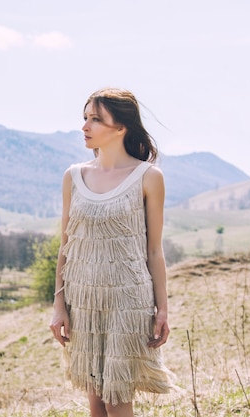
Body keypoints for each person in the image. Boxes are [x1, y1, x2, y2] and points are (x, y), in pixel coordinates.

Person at [49, 87, 175, 417]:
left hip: (128, 299)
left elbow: (153, 250)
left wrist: (162, 308)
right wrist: (58, 305)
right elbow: (67, 245)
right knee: (95, 401)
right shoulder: (73, 176)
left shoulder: (148, 177)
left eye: (95, 119)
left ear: (120, 127)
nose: (85, 126)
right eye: (85, 118)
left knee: (116, 397)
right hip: (84, 299)